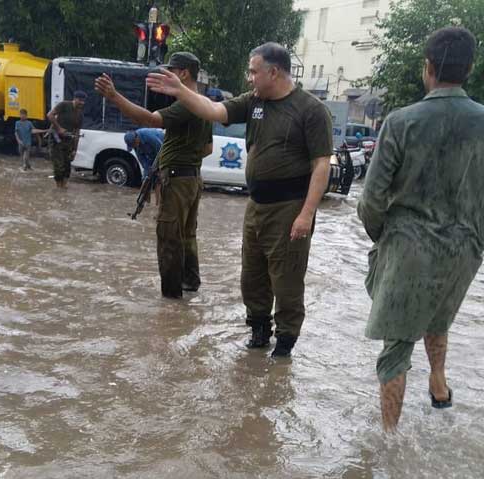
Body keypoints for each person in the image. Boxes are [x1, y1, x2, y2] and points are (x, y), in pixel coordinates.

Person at [146, 42, 332, 356]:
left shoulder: (310, 109)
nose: (249, 78)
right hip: (256, 205)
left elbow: (321, 164)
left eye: (253, 71)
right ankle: (259, 330)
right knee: (252, 275)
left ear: (273, 72)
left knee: (286, 278)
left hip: (290, 207)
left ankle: (285, 345)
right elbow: (214, 110)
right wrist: (180, 90)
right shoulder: (254, 102)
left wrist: (306, 214)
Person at [357, 27, 483, 432]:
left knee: (396, 346)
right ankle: (439, 384)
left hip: (408, 248)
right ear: (471, 67)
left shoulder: (401, 122)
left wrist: (385, 238)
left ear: (427, 67)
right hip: (464, 250)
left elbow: (370, 201)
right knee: (437, 318)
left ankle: (388, 443)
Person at [95, 52, 213, 299]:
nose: (165, 75)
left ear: (183, 74)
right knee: (187, 233)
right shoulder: (202, 103)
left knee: (169, 237)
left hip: (177, 178)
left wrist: (114, 97)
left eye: (170, 71)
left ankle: (171, 302)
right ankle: (190, 283)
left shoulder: (185, 104)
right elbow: (207, 148)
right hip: (192, 178)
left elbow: (149, 119)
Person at [47, 90, 86, 188]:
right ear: (75, 98)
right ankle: (58, 188)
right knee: (59, 167)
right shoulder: (64, 105)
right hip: (57, 140)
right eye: (80, 100)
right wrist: (59, 128)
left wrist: (75, 150)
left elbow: (77, 132)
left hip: (69, 142)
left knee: (67, 168)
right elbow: (50, 115)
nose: (82, 103)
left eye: (83, 101)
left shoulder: (80, 115)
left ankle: (63, 189)